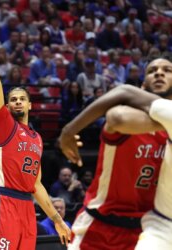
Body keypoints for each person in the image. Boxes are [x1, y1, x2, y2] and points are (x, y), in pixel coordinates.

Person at [0, 23, 71, 250]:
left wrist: (57, 219)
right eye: (13, 99)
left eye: (22, 98)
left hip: (26, 207)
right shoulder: (4, 124)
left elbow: (37, 185)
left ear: (30, 105)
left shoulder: (37, 138)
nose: (17, 102)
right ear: (7, 105)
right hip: (3, 202)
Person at [59, 58, 172, 250]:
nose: (159, 73)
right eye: (152, 70)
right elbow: (117, 118)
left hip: (150, 230)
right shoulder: (127, 113)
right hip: (101, 225)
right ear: (142, 86)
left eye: (167, 70)